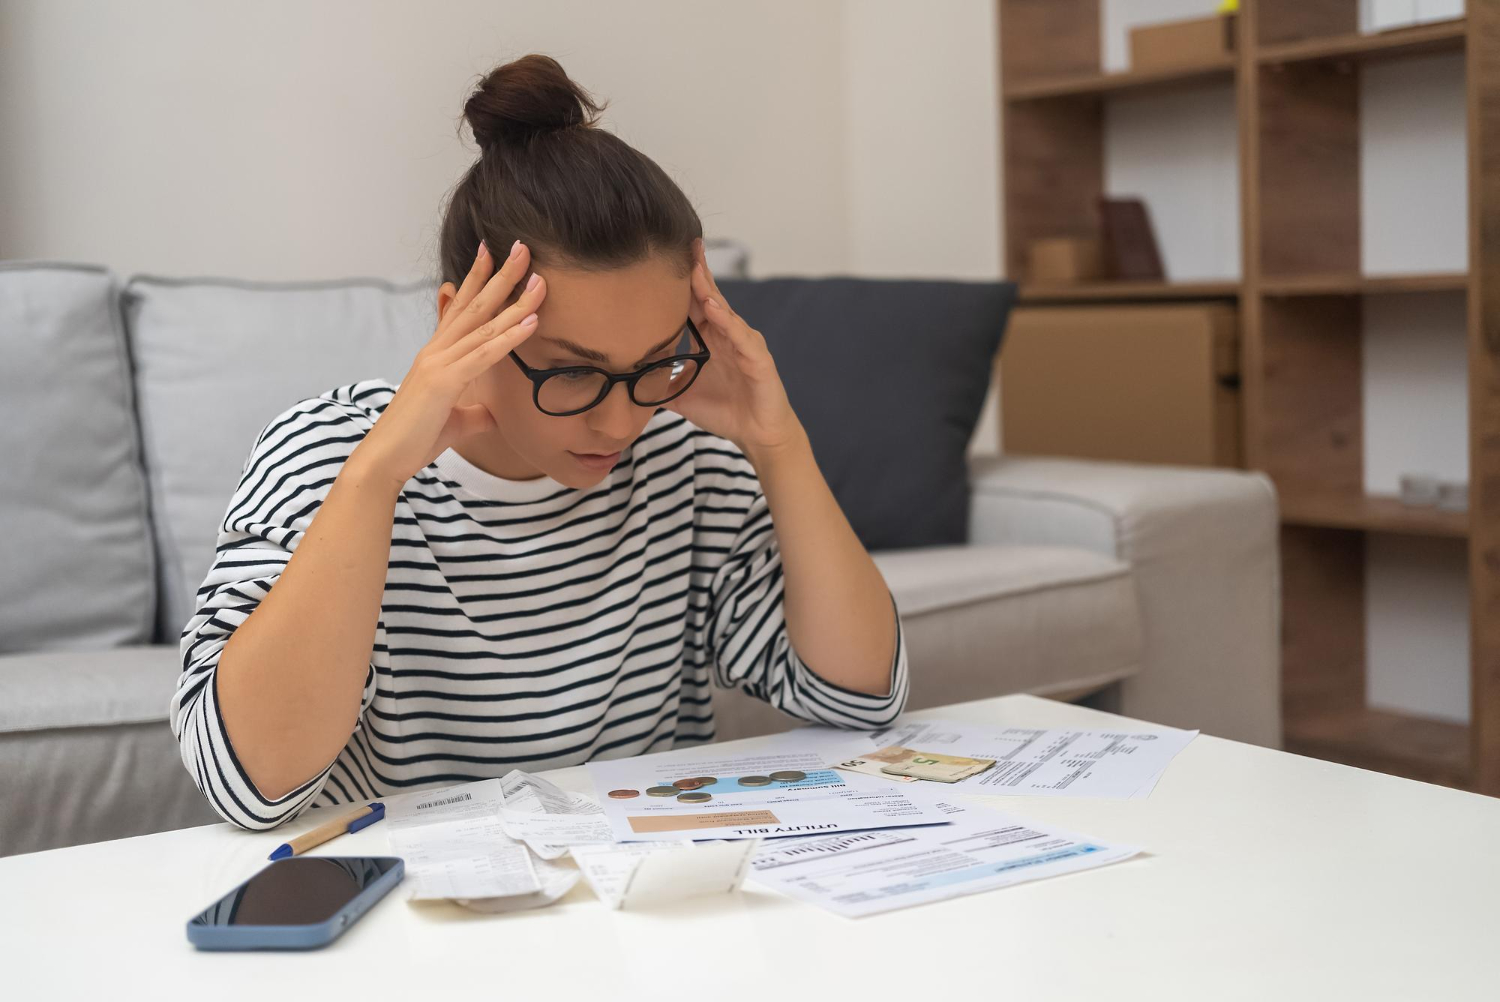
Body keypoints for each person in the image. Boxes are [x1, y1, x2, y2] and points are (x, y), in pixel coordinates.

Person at [170, 54, 909, 831]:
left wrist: (779, 444)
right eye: (572, 374)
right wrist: (375, 480)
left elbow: (860, 698)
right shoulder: (325, 454)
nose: (623, 423)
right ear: (464, 323)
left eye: (657, 363)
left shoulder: (683, 460)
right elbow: (250, 785)